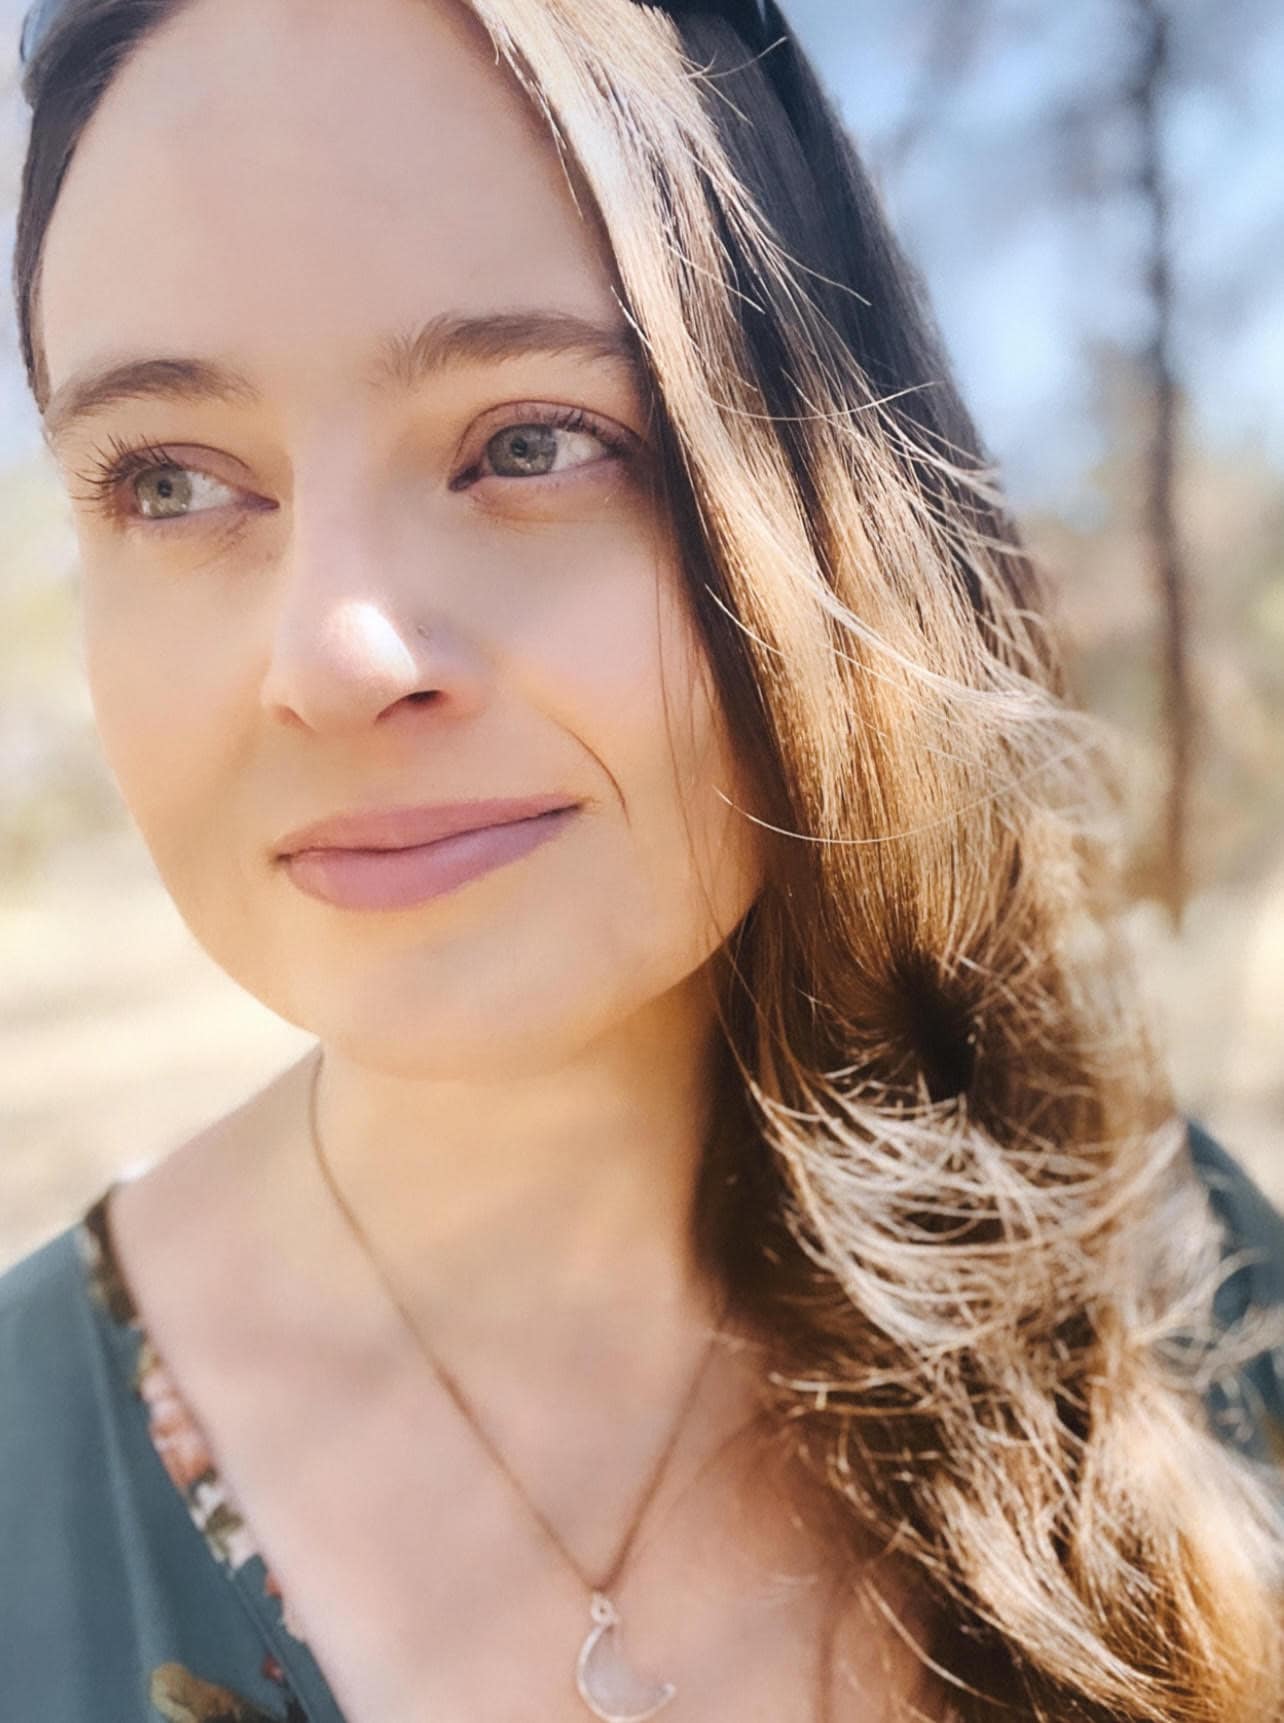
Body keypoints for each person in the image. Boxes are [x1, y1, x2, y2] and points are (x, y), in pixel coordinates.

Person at [1, 0, 1281, 1718]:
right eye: (168, 480)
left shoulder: (1179, 1289)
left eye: (529, 442)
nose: (333, 658)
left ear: (832, 498)